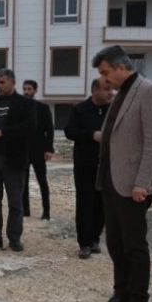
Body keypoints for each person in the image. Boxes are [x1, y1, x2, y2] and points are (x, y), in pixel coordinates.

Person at [89, 45, 152, 302]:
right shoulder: (122, 93)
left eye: (106, 73)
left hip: (134, 183)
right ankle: (120, 295)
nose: (104, 79)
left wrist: (142, 182)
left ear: (121, 67)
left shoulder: (148, 91)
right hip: (112, 180)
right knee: (115, 241)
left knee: (134, 245)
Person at [0, 69, 36, 252]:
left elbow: (29, 126)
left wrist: (4, 133)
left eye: (2, 82)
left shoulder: (25, 103)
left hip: (14, 159)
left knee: (15, 201)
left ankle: (14, 238)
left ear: (13, 83)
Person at [64, 78, 113, 259]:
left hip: (107, 165)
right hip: (85, 165)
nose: (110, 93)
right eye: (106, 89)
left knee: (102, 204)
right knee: (85, 203)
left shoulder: (112, 110)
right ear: (95, 90)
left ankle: (95, 239)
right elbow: (69, 131)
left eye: (111, 89)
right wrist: (91, 135)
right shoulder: (79, 110)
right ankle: (84, 243)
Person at [21, 80, 55, 220]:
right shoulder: (19, 108)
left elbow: (49, 130)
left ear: (35, 90)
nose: (26, 92)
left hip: (39, 150)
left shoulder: (43, 108)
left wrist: (49, 149)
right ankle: (25, 210)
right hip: (23, 150)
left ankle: (46, 212)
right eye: (25, 89)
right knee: (23, 181)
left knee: (42, 181)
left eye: (29, 89)